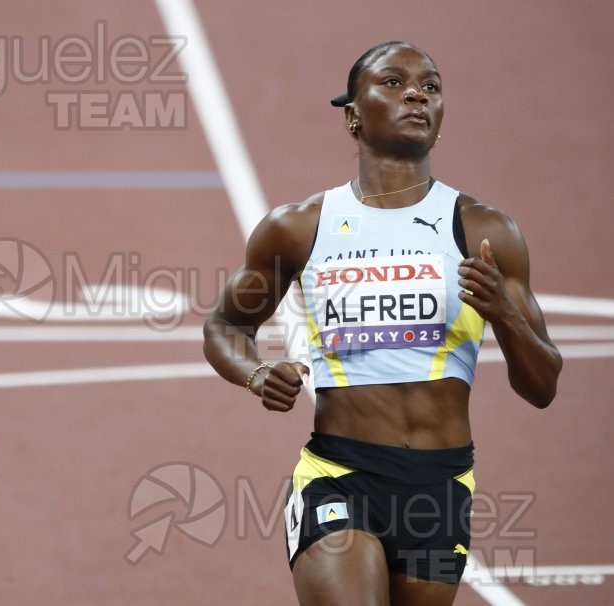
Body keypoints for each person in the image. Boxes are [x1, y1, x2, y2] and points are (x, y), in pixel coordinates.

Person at [202, 41, 562, 606]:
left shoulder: (485, 229)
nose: (417, 93)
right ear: (352, 114)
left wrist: (506, 315)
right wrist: (255, 373)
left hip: (441, 489)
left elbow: (542, 386)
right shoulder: (299, 228)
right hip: (340, 473)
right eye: (392, 82)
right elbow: (224, 325)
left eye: (431, 86)